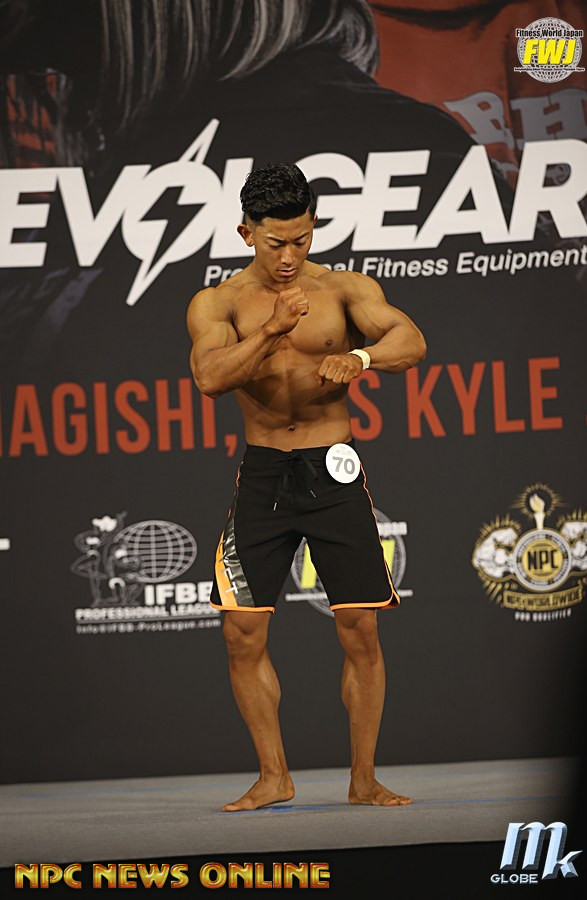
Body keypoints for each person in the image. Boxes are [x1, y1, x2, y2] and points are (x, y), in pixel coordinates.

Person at [186, 162, 426, 812]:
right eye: (275, 243)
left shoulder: (343, 287)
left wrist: (360, 357)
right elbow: (209, 378)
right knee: (241, 631)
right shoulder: (219, 302)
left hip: (333, 468)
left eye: (302, 238)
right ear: (246, 233)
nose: (290, 256)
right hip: (264, 473)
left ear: (313, 226)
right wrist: (271, 329)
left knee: (359, 628)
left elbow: (410, 340)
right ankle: (274, 777)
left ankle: (364, 780)